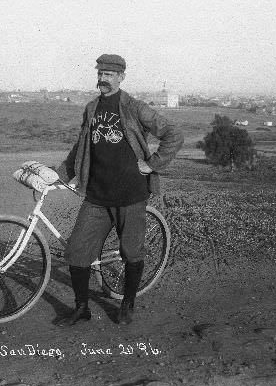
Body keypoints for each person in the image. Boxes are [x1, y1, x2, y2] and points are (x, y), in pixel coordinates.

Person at [55, 54, 183, 326]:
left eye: (109, 74)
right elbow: (81, 146)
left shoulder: (135, 108)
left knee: (131, 252)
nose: (103, 79)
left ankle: (127, 302)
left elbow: (173, 133)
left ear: (121, 77)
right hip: (96, 197)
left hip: (130, 196)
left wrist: (153, 164)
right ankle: (81, 308)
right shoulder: (91, 108)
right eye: (100, 73)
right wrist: (63, 173)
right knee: (77, 252)